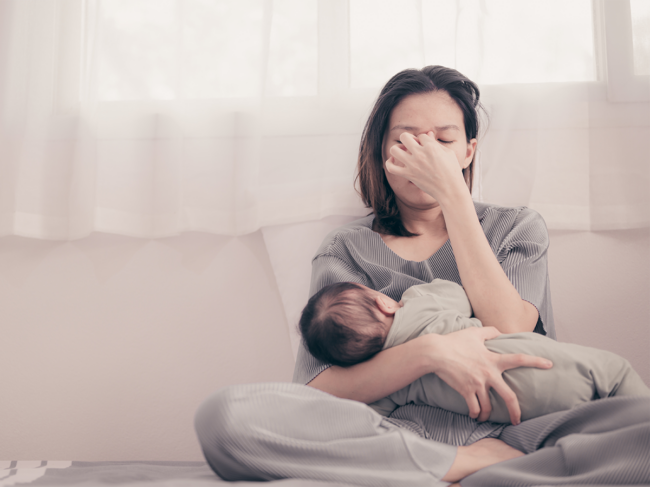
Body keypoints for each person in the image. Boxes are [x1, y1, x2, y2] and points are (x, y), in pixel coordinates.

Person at [195, 66, 650, 486]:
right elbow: (318, 392)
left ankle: (513, 468)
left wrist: (453, 196)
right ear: (382, 153)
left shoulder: (515, 227)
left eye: (443, 141)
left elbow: (512, 327)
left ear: (469, 151)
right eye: (408, 140)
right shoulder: (346, 249)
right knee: (225, 417)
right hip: (394, 440)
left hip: (524, 429)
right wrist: (432, 352)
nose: (425, 154)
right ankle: (468, 466)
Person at [299, 278, 650, 422]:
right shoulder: (418, 303)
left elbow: (364, 407)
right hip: (550, 366)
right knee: (616, 373)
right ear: (384, 303)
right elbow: (456, 292)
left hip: (529, 415)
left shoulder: (390, 386)